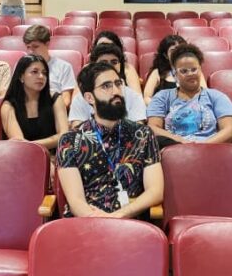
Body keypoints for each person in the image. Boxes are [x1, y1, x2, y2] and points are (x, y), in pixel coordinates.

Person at [56, 61, 163, 218]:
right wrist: (102, 223)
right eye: (106, 86)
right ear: (89, 97)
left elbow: (155, 191)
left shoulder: (142, 134)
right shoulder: (70, 141)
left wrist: (118, 216)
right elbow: (76, 201)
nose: (116, 91)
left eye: (118, 84)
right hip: (86, 222)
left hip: (131, 221)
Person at [147, 42, 232, 147]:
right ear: (175, 74)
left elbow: (229, 131)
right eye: (184, 71)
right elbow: (153, 128)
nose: (190, 74)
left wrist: (200, 147)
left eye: (194, 69)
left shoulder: (217, 96)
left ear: (200, 70)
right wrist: (181, 141)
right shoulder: (162, 97)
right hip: (175, 148)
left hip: (211, 149)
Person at [0, 54, 69, 151]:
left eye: (44, 73)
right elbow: (19, 143)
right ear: (21, 76)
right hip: (24, 155)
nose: (41, 76)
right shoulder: (8, 105)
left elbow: (63, 135)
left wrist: (31, 145)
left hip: (55, 155)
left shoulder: (55, 98)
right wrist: (33, 146)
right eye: (34, 72)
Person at [69, 43, 147, 128]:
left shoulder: (134, 97)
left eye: (114, 62)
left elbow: (139, 131)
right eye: (103, 63)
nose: (109, 66)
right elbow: (77, 130)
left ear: (120, 65)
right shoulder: (80, 98)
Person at [22, 24, 77, 107]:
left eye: (35, 47)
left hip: (53, 110)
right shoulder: (21, 66)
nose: (31, 51)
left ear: (47, 44)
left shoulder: (64, 67)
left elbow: (66, 100)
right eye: (28, 47)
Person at [142, 34, 206, 102]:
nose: (177, 53)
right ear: (165, 55)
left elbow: (204, 95)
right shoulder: (157, 72)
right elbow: (147, 97)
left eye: (181, 50)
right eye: (173, 50)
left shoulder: (195, 71)